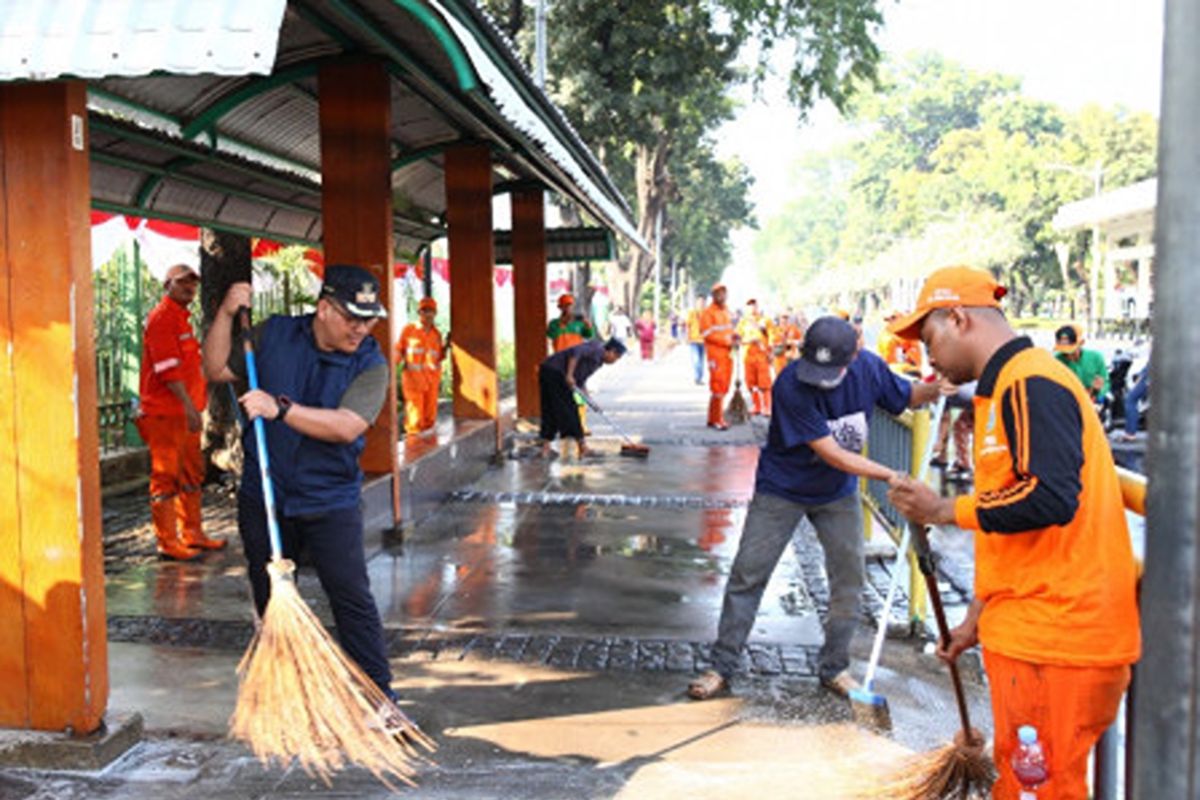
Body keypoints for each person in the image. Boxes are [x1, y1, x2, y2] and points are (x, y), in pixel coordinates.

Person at [885, 266, 1140, 800]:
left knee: (1038, 789)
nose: (927, 356)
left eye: (930, 338)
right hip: (1032, 633)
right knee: (1030, 782)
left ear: (959, 318)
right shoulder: (1002, 389)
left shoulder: (1032, 382)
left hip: (1057, 641)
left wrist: (943, 509)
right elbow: (1014, 528)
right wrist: (977, 616)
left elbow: (1049, 496)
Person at [686, 316, 947, 701]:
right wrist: (892, 475)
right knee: (748, 574)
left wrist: (939, 388)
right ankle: (720, 667)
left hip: (836, 495)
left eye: (832, 371)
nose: (822, 379)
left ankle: (835, 668)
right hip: (782, 489)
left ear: (855, 353)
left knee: (849, 579)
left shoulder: (870, 367)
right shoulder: (791, 384)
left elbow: (906, 396)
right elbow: (833, 454)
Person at [201, 264, 409, 721]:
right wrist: (225, 311)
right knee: (270, 594)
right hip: (266, 493)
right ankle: (286, 689)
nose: (362, 328)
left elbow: (347, 427)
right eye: (352, 316)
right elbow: (215, 367)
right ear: (324, 308)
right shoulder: (273, 335)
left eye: (369, 318)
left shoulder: (371, 364)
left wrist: (281, 409)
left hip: (329, 499)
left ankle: (381, 701)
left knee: (351, 597)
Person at [137, 263, 226, 560]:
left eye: (192, 284)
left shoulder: (181, 319)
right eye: (182, 283)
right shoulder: (162, 318)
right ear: (167, 285)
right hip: (166, 413)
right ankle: (167, 541)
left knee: (191, 472)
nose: (189, 288)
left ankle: (192, 532)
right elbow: (167, 371)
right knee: (166, 476)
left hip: (186, 412)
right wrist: (189, 407)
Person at [538, 337, 626, 459]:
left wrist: (590, 401)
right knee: (569, 410)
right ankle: (583, 448)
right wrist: (569, 375)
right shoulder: (596, 349)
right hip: (555, 372)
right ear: (611, 351)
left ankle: (545, 449)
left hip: (549, 370)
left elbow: (580, 381)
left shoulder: (598, 361)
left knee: (551, 410)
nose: (614, 361)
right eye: (616, 357)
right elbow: (575, 353)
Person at [396, 297, 449, 434]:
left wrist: (446, 347)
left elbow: (438, 357)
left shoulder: (436, 334)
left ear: (435, 313)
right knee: (415, 419)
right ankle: (413, 448)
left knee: (429, 418)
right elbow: (398, 351)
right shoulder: (409, 330)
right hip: (413, 381)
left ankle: (428, 448)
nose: (427, 314)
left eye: (430, 311)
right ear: (419, 312)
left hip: (431, 381)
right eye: (424, 311)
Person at [700, 284, 737, 430]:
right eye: (719, 293)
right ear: (714, 295)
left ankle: (713, 418)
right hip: (716, 354)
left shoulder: (726, 311)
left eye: (724, 293)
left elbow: (728, 329)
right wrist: (726, 341)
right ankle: (717, 419)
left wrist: (734, 338)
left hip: (727, 354)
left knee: (724, 386)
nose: (722, 296)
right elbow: (706, 334)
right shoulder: (708, 313)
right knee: (718, 386)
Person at [736, 299, 773, 416]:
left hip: (762, 356)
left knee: (765, 383)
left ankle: (767, 407)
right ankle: (757, 406)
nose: (752, 307)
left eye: (754, 305)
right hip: (748, 357)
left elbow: (772, 336)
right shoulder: (743, 322)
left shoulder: (766, 320)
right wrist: (747, 341)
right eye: (749, 305)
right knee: (751, 383)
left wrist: (770, 351)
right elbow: (737, 338)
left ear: (758, 306)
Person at [1053, 323, 1109, 400]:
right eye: (1064, 352)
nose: (1069, 355)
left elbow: (1106, 382)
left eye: (1071, 351)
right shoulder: (1056, 361)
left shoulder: (1096, 358)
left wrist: (1098, 391)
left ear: (1081, 343)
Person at [686, 297, 706, 385]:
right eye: (699, 302)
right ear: (696, 303)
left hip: (704, 340)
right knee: (696, 359)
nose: (701, 304)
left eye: (702, 302)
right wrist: (688, 336)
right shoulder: (692, 313)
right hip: (694, 339)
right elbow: (688, 325)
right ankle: (697, 377)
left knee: (701, 360)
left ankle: (699, 378)